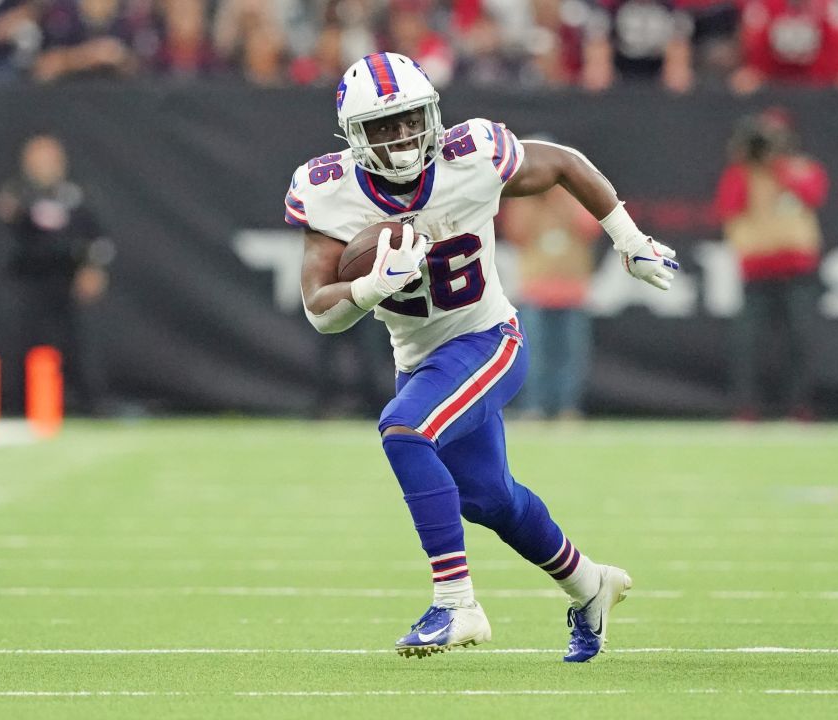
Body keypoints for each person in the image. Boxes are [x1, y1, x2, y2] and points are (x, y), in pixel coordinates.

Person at [288, 52, 679, 661]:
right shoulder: (329, 191)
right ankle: (589, 583)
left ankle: (456, 604)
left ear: (433, 113)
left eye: (411, 119)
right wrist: (370, 286)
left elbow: (566, 165)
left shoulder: (471, 154)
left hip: (487, 339)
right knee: (489, 499)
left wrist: (628, 239)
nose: (401, 137)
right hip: (419, 358)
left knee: (404, 429)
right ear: (352, 136)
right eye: (383, 126)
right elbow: (320, 310)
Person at [714, 109, 827, 421]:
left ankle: (800, 407)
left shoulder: (802, 168)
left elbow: (813, 194)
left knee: (801, 338)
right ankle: (746, 407)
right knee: (748, 343)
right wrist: (749, 160)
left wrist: (778, 166)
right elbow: (727, 207)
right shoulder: (741, 173)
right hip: (757, 269)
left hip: (797, 268)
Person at [0, 134, 114, 415]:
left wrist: (93, 268)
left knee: (75, 343)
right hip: (26, 280)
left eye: (49, 159)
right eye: (38, 159)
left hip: (66, 280)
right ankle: (17, 405)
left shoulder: (76, 196)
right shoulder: (16, 195)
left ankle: (86, 403)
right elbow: (6, 234)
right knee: (23, 342)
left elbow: (99, 238)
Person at [501, 183, 603, 421]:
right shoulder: (525, 201)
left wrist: (563, 195)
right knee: (534, 356)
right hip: (536, 291)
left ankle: (567, 408)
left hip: (572, 291)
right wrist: (531, 196)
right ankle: (534, 408)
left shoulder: (575, 197)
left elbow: (590, 228)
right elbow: (516, 233)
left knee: (570, 356)